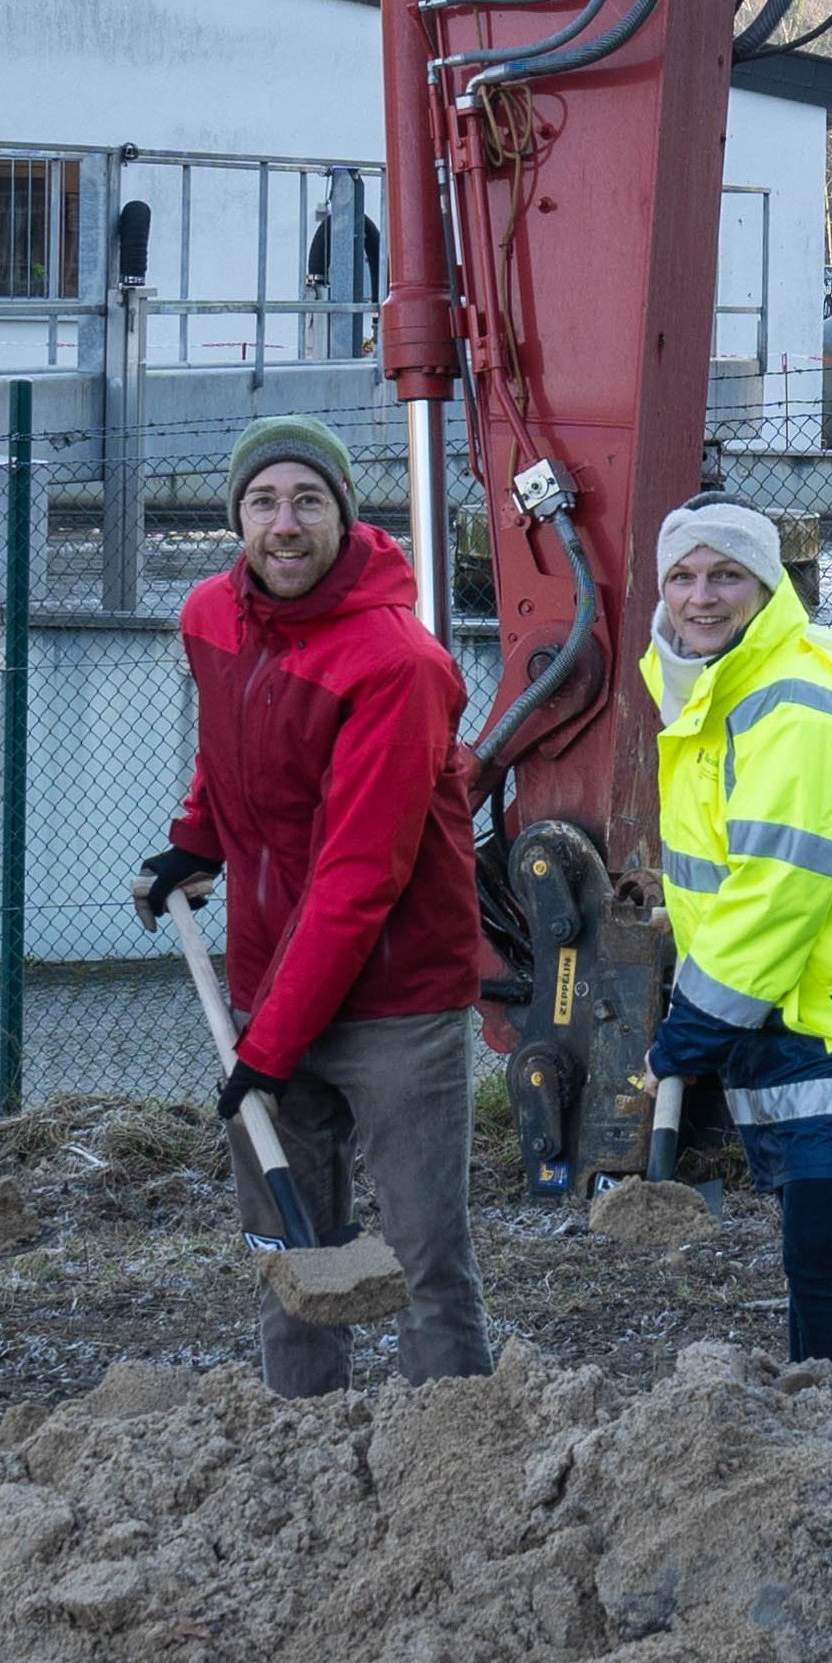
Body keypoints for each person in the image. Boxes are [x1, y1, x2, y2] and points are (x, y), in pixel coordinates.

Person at [132, 415, 492, 1396]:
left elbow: (357, 875)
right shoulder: (211, 614)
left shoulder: (396, 665)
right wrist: (196, 835)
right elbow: (232, 747)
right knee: (287, 1247)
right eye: (262, 502)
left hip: (395, 1004)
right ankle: (301, 1444)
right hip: (269, 985)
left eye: (307, 502)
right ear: (236, 517)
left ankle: (462, 1455)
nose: (283, 524)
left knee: (423, 1258)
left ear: (344, 514)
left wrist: (265, 1051)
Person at [641, 498, 832, 1375]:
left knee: (823, 1238)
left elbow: (781, 887)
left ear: (769, 583)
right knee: (810, 1246)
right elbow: (737, 870)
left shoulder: (794, 700)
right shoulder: (720, 692)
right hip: (794, 1001)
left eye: (726, 576)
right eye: (683, 577)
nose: (702, 597)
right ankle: (823, 1418)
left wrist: (695, 1027)